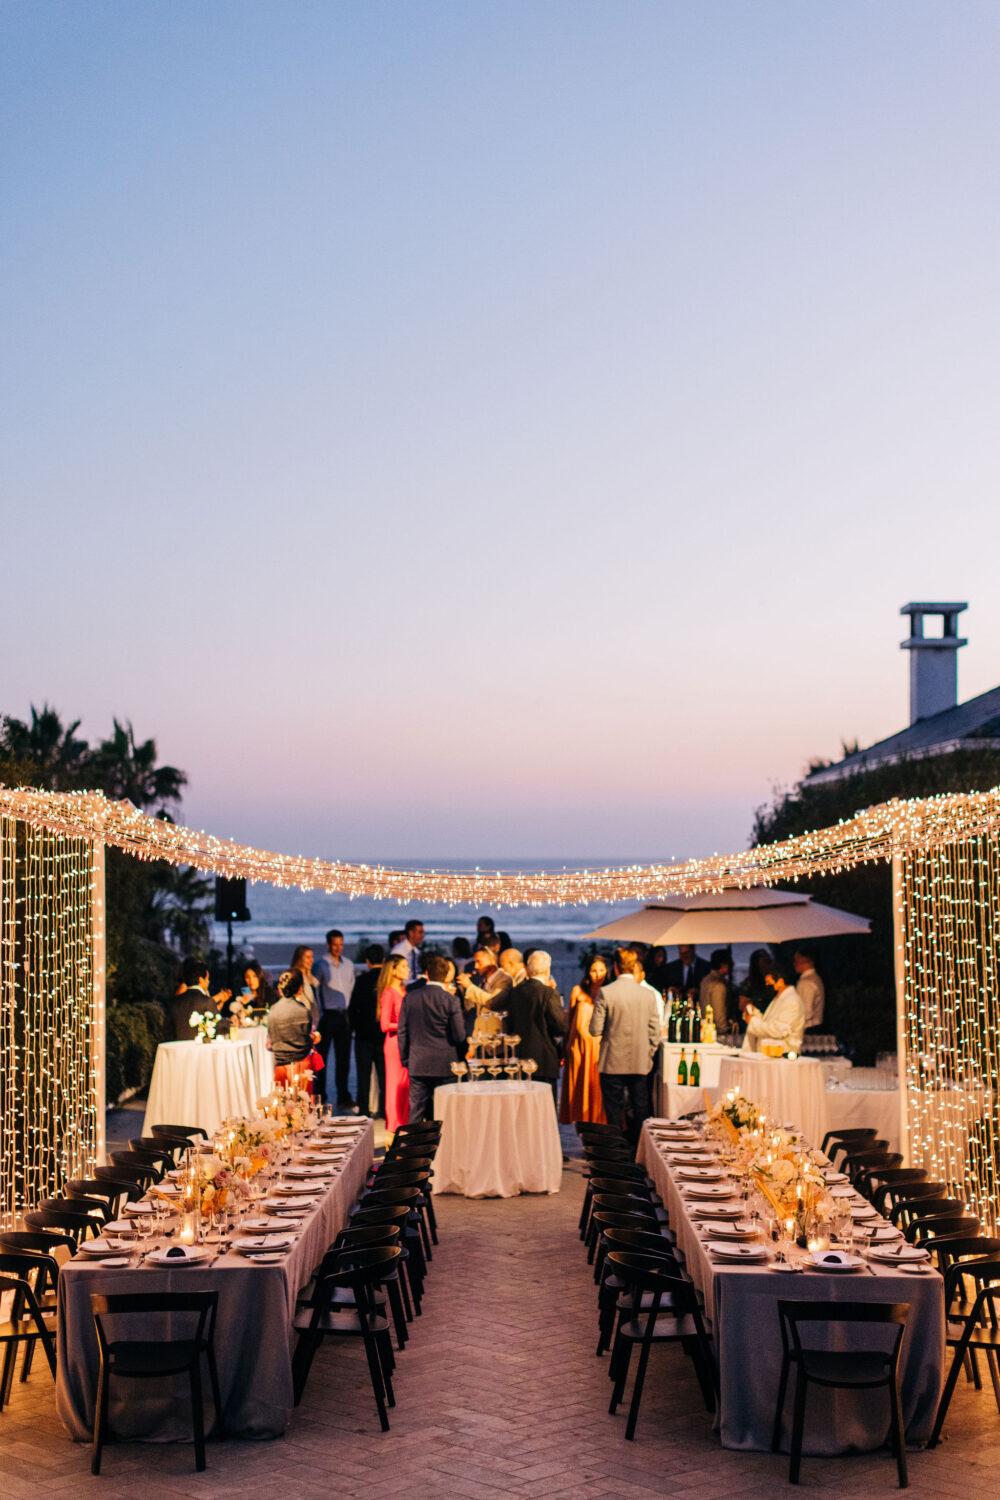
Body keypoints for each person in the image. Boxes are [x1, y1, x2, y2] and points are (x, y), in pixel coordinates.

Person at [589, 946, 661, 1143]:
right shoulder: (648, 995)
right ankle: (640, 1154)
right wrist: (648, 1055)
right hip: (639, 1061)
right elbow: (655, 1033)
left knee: (613, 1112)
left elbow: (594, 1029)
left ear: (616, 968)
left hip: (612, 1061)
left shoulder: (606, 992)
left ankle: (616, 1156)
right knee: (641, 1110)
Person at [397, 953, 466, 1123]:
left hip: (418, 1061)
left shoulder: (410, 997)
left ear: (427, 973)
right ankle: (444, 1147)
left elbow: (402, 1032)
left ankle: (413, 1147)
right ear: (446, 976)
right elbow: (459, 1036)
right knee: (444, 1110)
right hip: (445, 1062)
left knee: (416, 1111)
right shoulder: (451, 1000)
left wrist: (405, 1058)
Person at [496, 950, 567, 1105]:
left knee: (524, 1107)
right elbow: (559, 1025)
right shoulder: (548, 993)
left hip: (520, 1055)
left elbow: (510, 1023)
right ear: (547, 970)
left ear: (528, 969)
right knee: (546, 1107)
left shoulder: (516, 992)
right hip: (545, 1058)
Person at [559, 955, 607, 1125]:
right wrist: (564, 1046)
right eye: (594, 970)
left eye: (601, 970)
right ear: (588, 972)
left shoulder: (609, 992)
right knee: (579, 1088)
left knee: (597, 1089)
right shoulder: (577, 991)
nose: (597, 974)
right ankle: (581, 1126)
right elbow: (570, 1019)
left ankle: (598, 1125)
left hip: (599, 1049)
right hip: (578, 1047)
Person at [312, 930, 356, 1111]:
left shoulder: (349, 965)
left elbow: (351, 988)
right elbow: (315, 990)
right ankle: (320, 1095)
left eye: (341, 944)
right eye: (335, 944)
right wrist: (320, 1014)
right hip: (327, 1015)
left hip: (343, 1014)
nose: (338, 948)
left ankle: (343, 1095)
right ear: (328, 944)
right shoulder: (321, 964)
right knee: (322, 1058)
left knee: (343, 1059)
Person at [348, 943, 386, 1116]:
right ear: (384, 960)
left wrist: (355, 1027)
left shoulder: (362, 980)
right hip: (383, 1034)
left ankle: (364, 1109)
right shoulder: (386, 981)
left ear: (367, 961)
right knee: (384, 1075)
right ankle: (385, 1109)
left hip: (363, 1034)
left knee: (363, 1075)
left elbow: (353, 1007)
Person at [267, 969, 320, 1092]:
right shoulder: (303, 1011)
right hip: (301, 1064)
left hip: (280, 1064)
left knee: (282, 1105)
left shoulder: (273, 1010)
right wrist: (315, 1037)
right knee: (302, 1104)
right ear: (300, 988)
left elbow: (270, 1041)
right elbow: (306, 1040)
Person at [742, 960, 806, 1054]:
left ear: (780, 982)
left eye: (769, 983)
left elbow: (778, 1030)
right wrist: (754, 1013)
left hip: (784, 1054)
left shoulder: (792, 1001)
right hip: (770, 1053)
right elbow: (768, 1023)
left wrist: (752, 1021)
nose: (767, 986)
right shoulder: (778, 998)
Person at [378, 955, 411, 1134]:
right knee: (395, 1085)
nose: (408, 970)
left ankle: (403, 1121)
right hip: (394, 1043)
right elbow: (384, 1025)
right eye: (404, 966)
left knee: (405, 1084)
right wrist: (406, 1024)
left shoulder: (403, 990)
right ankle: (394, 1124)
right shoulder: (389, 993)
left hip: (405, 1041)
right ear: (394, 969)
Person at [169, 957, 230, 1040]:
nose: (208, 982)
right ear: (201, 980)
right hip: (199, 1048)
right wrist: (229, 1023)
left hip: (177, 1047)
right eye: (207, 979)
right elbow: (219, 1026)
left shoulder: (175, 1001)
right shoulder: (206, 1001)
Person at [794, 946, 825, 1031]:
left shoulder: (807, 982)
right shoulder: (815, 979)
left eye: (796, 960)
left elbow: (806, 1012)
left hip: (807, 1029)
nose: (794, 964)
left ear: (804, 961)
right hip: (813, 1027)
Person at [738, 948, 773, 1023]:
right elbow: (742, 1005)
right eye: (762, 957)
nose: (765, 959)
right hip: (755, 1020)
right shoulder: (749, 982)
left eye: (767, 956)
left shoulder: (774, 980)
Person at [699, 950, 731, 1030]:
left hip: (705, 1027)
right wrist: (724, 1030)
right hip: (716, 1032)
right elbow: (719, 1015)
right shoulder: (718, 985)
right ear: (723, 965)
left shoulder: (705, 980)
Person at [391, 919, 425, 985]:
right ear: (411, 933)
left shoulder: (415, 950)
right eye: (420, 932)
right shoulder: (399, 951)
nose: (423, 935)